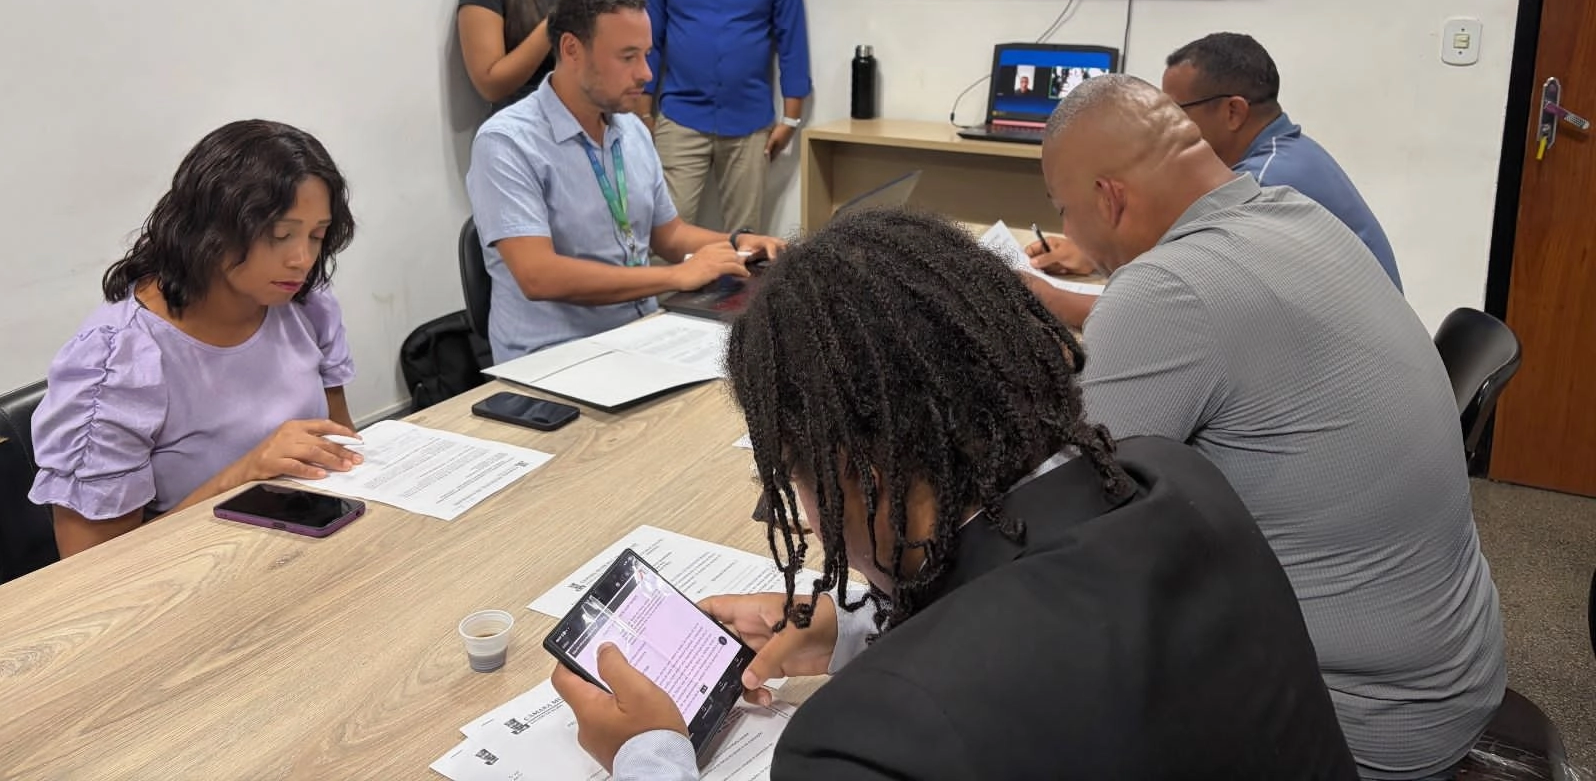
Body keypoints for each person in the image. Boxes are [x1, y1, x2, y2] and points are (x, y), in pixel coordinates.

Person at [550, 208, 1359, 781]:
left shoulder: (868, 737)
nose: (809, 523)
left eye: (797, 481)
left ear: (857, 474)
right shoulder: (1172, 478)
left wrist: (650, 754)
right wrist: (852, 625)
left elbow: (987, 677)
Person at [1025, 77, 1505, 781]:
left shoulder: (1166, 291)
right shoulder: (1297, 215)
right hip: (1451, 671)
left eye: (1062, 211)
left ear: (1110, 198)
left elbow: (1052, 520)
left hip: (1358, 725)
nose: (1067, 234)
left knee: (1020, 676)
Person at [28, 121, 364, 558]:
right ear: (211, 228)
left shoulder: (305, 306)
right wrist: (244, 475)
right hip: (186, 574)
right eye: (280, 235)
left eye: (316, 236)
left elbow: (343, 447)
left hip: (305, 548)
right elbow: (93, 566)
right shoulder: (118, 362)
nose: (302, 259)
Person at [467, 0, 785, 362]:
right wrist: (675, 276)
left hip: (638, 336)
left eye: (646, 55)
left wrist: (736, 244)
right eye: (628, 57)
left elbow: (669, 235)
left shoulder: (630, 129)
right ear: (571, 49)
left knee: (754, 368)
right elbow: (537, 275)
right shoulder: (508, 141)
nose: (646, 74)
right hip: (553, 356)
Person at [637, 0, 811, 235]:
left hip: (749, 123)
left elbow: (792, 43)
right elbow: (647, 41)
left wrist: (791, 121)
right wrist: (642, 113)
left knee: (745, 242)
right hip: (680, 117)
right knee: (667, 234)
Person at [1162, 32, 1402, 288]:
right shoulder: (1294, 152)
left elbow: (1182, 279)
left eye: (1175, 111)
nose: (1164, 124)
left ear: (1233, 112)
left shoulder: (1260, 186)